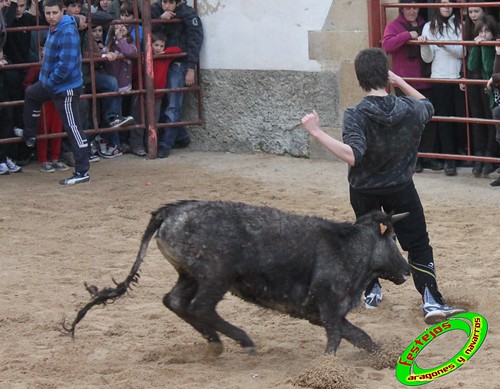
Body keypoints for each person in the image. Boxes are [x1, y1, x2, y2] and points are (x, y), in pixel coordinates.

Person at [300, 48, 466, 325]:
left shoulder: (356, 114)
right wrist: (400, 81)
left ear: (360, 79)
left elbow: (353, 155)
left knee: (369, 239)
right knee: (417, 243)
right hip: (400, 187)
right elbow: (428, 104)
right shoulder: (410, 108)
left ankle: (372, 291)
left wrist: (316, 132)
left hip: (364, 189)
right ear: (385, 76)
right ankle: (431, 299)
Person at [21, 0, 90, 185]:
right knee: (31, 95)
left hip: (63, 87)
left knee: (73, 128)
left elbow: (65, 66)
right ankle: (29, 135)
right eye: (48, 13)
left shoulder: (66, 31)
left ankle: (82, 170)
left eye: (54, 13)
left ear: (62, 11)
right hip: (54, 83)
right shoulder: (59, 27)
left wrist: (49, 83)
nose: (51, 16)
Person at [382, 0, 442, 173]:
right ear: (402, 8)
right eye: (408, 7)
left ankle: (428, 157)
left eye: (415, 7)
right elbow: (387, 45)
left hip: (425, 79)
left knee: (429, 120)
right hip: (405, 81)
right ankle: (412, 159)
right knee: (407, 122)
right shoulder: (394, 26)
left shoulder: (426, 25)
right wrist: (409, 35)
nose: (412, 11)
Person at [418, 0, 466, 176]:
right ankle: (449, 160)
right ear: (437, 6)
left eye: (450, 3)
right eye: (443, 3)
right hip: (439, 78)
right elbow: (427, 58)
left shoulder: (460, 25)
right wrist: (424, 45)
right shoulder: (429, 27)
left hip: (456, 78)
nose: (447, 7)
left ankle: (460, 154)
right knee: (444, 120)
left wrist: (445, 45)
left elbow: (463, 52)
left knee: (460, 118)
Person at [152, 0, 203, 159]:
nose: (166, 5)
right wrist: (160, 20)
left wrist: (190, 68)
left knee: (173, 100)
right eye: (164, 2)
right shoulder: (155, 10)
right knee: (161, 99)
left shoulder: (187, 13)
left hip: (178, 62)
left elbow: (195, 39)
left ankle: (165, 143)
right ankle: (180, 136)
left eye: (170, 2)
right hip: (161, 60)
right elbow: (148, 30)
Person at [129, 32, 182, 156]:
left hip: (157, 95)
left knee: (153, 120)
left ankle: (150, 144)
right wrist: (144, 61)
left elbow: (178, 49)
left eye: (161, 46)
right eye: (156, 45)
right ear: (149, 45)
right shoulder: (143, 58)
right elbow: (135, 74)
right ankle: (137, 145)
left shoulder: (164, 57)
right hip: (141, 93)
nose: (158, 48)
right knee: (138, 119)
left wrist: (164, 53)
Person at [464, 4, 498, 177]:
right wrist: (477, 46)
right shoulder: (482, 42)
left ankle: (489, 156)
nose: (483, 35)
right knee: (479, 120)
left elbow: (487, 67)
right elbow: (472, 65)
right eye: (481, 31)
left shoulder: (495, 46)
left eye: (487, 31)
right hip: (481, 86)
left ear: (493, 32)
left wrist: (484, 46)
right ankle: (480, 155)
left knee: (492, 122)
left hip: (492, 88)